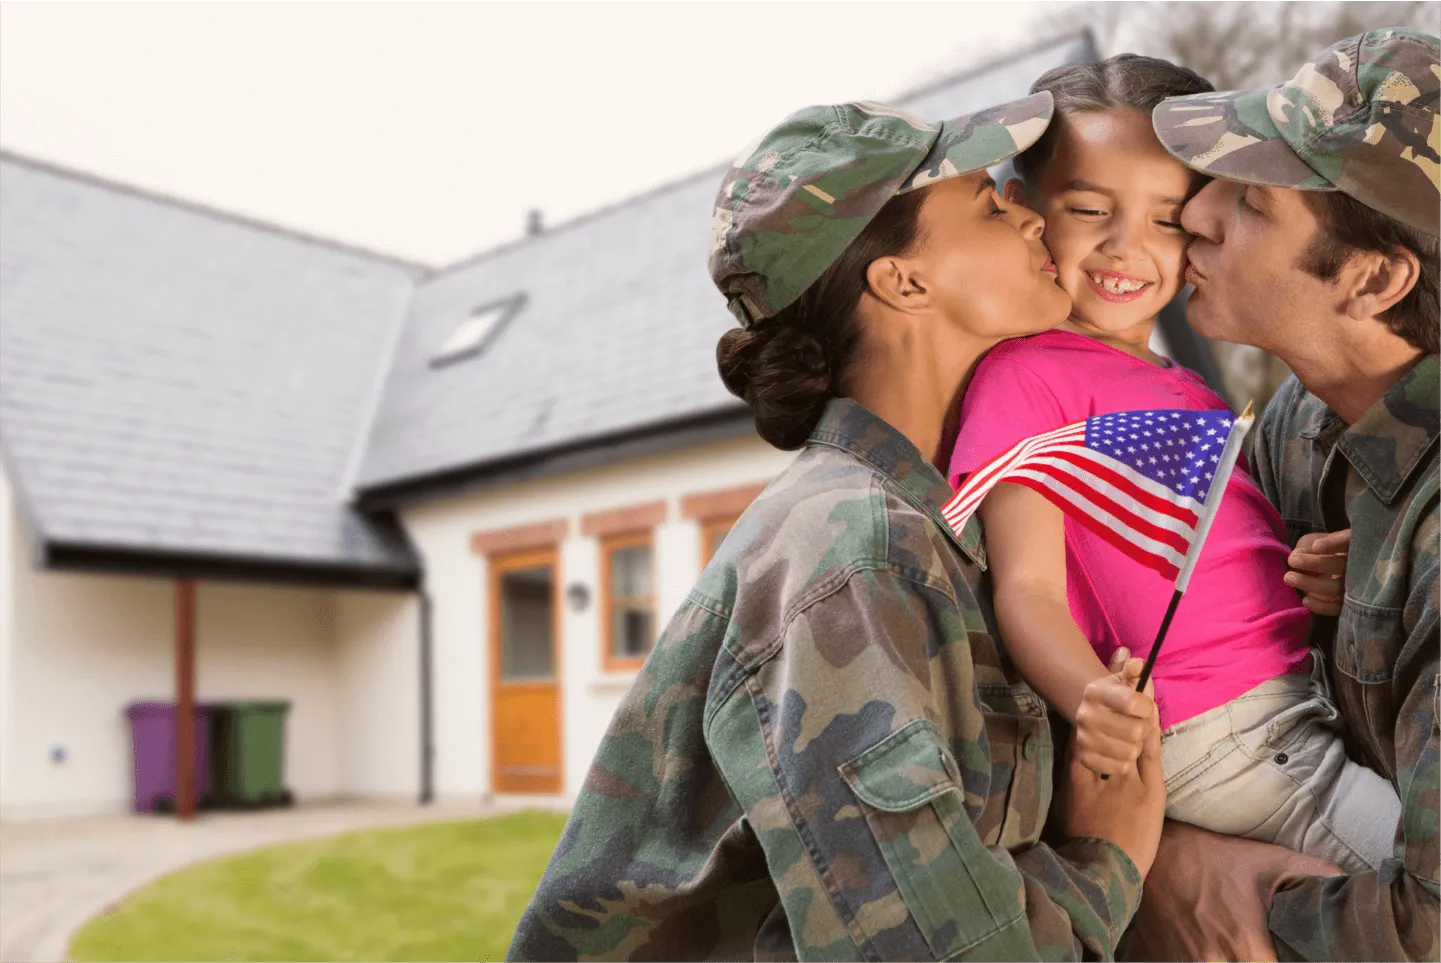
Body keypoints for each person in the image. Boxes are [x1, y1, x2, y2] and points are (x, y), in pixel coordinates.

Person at [507, 94, 1167, 962]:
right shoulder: (855, 552)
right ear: (904, 282)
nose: (1027, 212)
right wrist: (1108, 861)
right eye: (985, 205)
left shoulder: (942, 516)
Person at [946, 53, 1401, 874]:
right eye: (1089, 209)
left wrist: (1313, 576)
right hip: (1221, 731)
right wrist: (1090, 697)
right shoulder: (1026, 374)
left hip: (1287, 704)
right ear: (1023, 208)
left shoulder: (1176, 380)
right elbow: (1028, 586)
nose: (1125, 248)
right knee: (1409, 867)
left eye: (1166, 219)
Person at [1127, 26, 1440, 962]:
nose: (1196, 213)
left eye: (1253, 201)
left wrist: (1183, 881)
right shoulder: (1300, 418)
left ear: (1372, 279)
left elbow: (1426, 928)